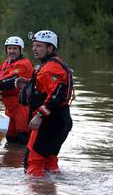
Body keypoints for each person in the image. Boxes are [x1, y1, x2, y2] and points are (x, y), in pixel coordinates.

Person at [15, 30, 73, 177]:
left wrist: (40, 115)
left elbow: (57, 94)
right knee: (49, 162)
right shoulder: (53, 65)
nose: (34, 49)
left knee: (32, 163)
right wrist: (28, 84)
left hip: (50, 122)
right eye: (34, 45)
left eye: (39, 46)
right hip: (59, 120)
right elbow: (50, 88)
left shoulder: (50, 68)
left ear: (50, 48)